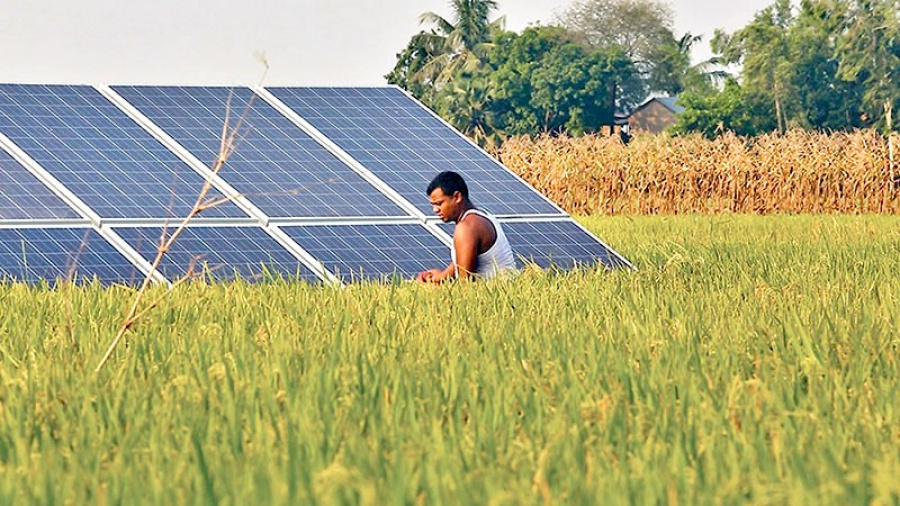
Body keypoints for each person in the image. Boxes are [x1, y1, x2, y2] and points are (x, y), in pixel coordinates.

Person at [417, 171, 517, 283]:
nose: (435, 210)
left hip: (492, 297)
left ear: (457, 197)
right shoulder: (483, 216)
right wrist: (437, 278)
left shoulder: (466, 228)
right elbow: (460, 262)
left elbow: (465, 285)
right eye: (433, 205)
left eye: (439, 203)